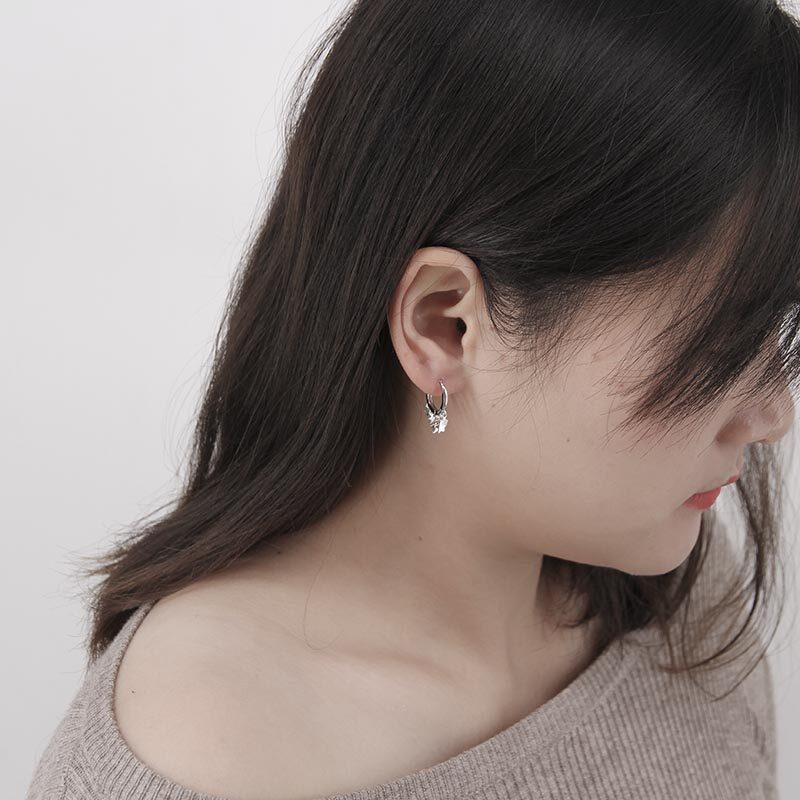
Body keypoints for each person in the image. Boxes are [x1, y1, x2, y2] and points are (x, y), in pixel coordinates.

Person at [27, 0, 800, 798]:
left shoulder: (677, 599)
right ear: (444, 327)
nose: (775, 414)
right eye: (720, 342)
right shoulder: (204, 756)